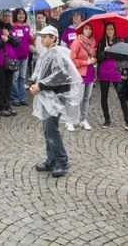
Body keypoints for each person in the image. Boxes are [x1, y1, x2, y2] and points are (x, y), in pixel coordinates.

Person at [30, 26, 82, 178]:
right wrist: (36, 84)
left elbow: (60, 76)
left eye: (46, 36)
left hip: (55, 99)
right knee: (47, 130)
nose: (42, 39)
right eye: (42, 36)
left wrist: (40, 85)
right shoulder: (47, 53)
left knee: (51, 130)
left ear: (53, 37)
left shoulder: (58, 53)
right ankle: (51, 160)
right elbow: (41, 74)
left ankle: (62, 161)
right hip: (46, 98)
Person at [96, 22, 128, 129]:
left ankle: (127, 121)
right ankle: (107, 119)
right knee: (104, 97)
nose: (109, 31)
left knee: (121, 96)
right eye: (107, 29)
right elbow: (98, 58)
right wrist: (104, 52)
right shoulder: (101, 42)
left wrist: (113, 51)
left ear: (114, 30)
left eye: (111, 29)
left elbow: (123, 57)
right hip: (104, 72)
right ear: (105, 31)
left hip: (116, 71)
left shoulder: (119, 41)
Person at [0, 10, 20, 117]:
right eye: (5, 16)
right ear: (0, 16)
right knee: (1, 85)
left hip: (10, 61)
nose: (7, 18)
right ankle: (1, 107)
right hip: (0, 61)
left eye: (9, 16)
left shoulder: (12, 28)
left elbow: (17, 43)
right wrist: (2, 41)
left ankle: (8, 105)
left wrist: (9, 37)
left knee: (9, 85)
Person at [69, 24, 97, 131]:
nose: (88, 31)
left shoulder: (93, 42)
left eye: (90, 29)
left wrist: (94, 60)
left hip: (90, 72)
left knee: (86, 98)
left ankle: (83, 119)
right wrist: (86, 62)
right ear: (82, 30)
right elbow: (72, 60)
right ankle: (70, 120)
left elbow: (94, 56)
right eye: (86, 28)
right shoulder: (77, 42)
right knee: (77, 98)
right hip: (80, 73)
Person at [10, 8, 33, 107]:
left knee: (22, 78)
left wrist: (34, 37)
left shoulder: (27, 26)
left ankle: (22, 98)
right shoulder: (12, 26)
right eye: (19, 14)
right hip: (15, 56)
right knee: (14, 78)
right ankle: (15, 98)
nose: (21, 15)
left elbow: (30, 41)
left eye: (23, 14)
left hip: (25, 56)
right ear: (16, 15)